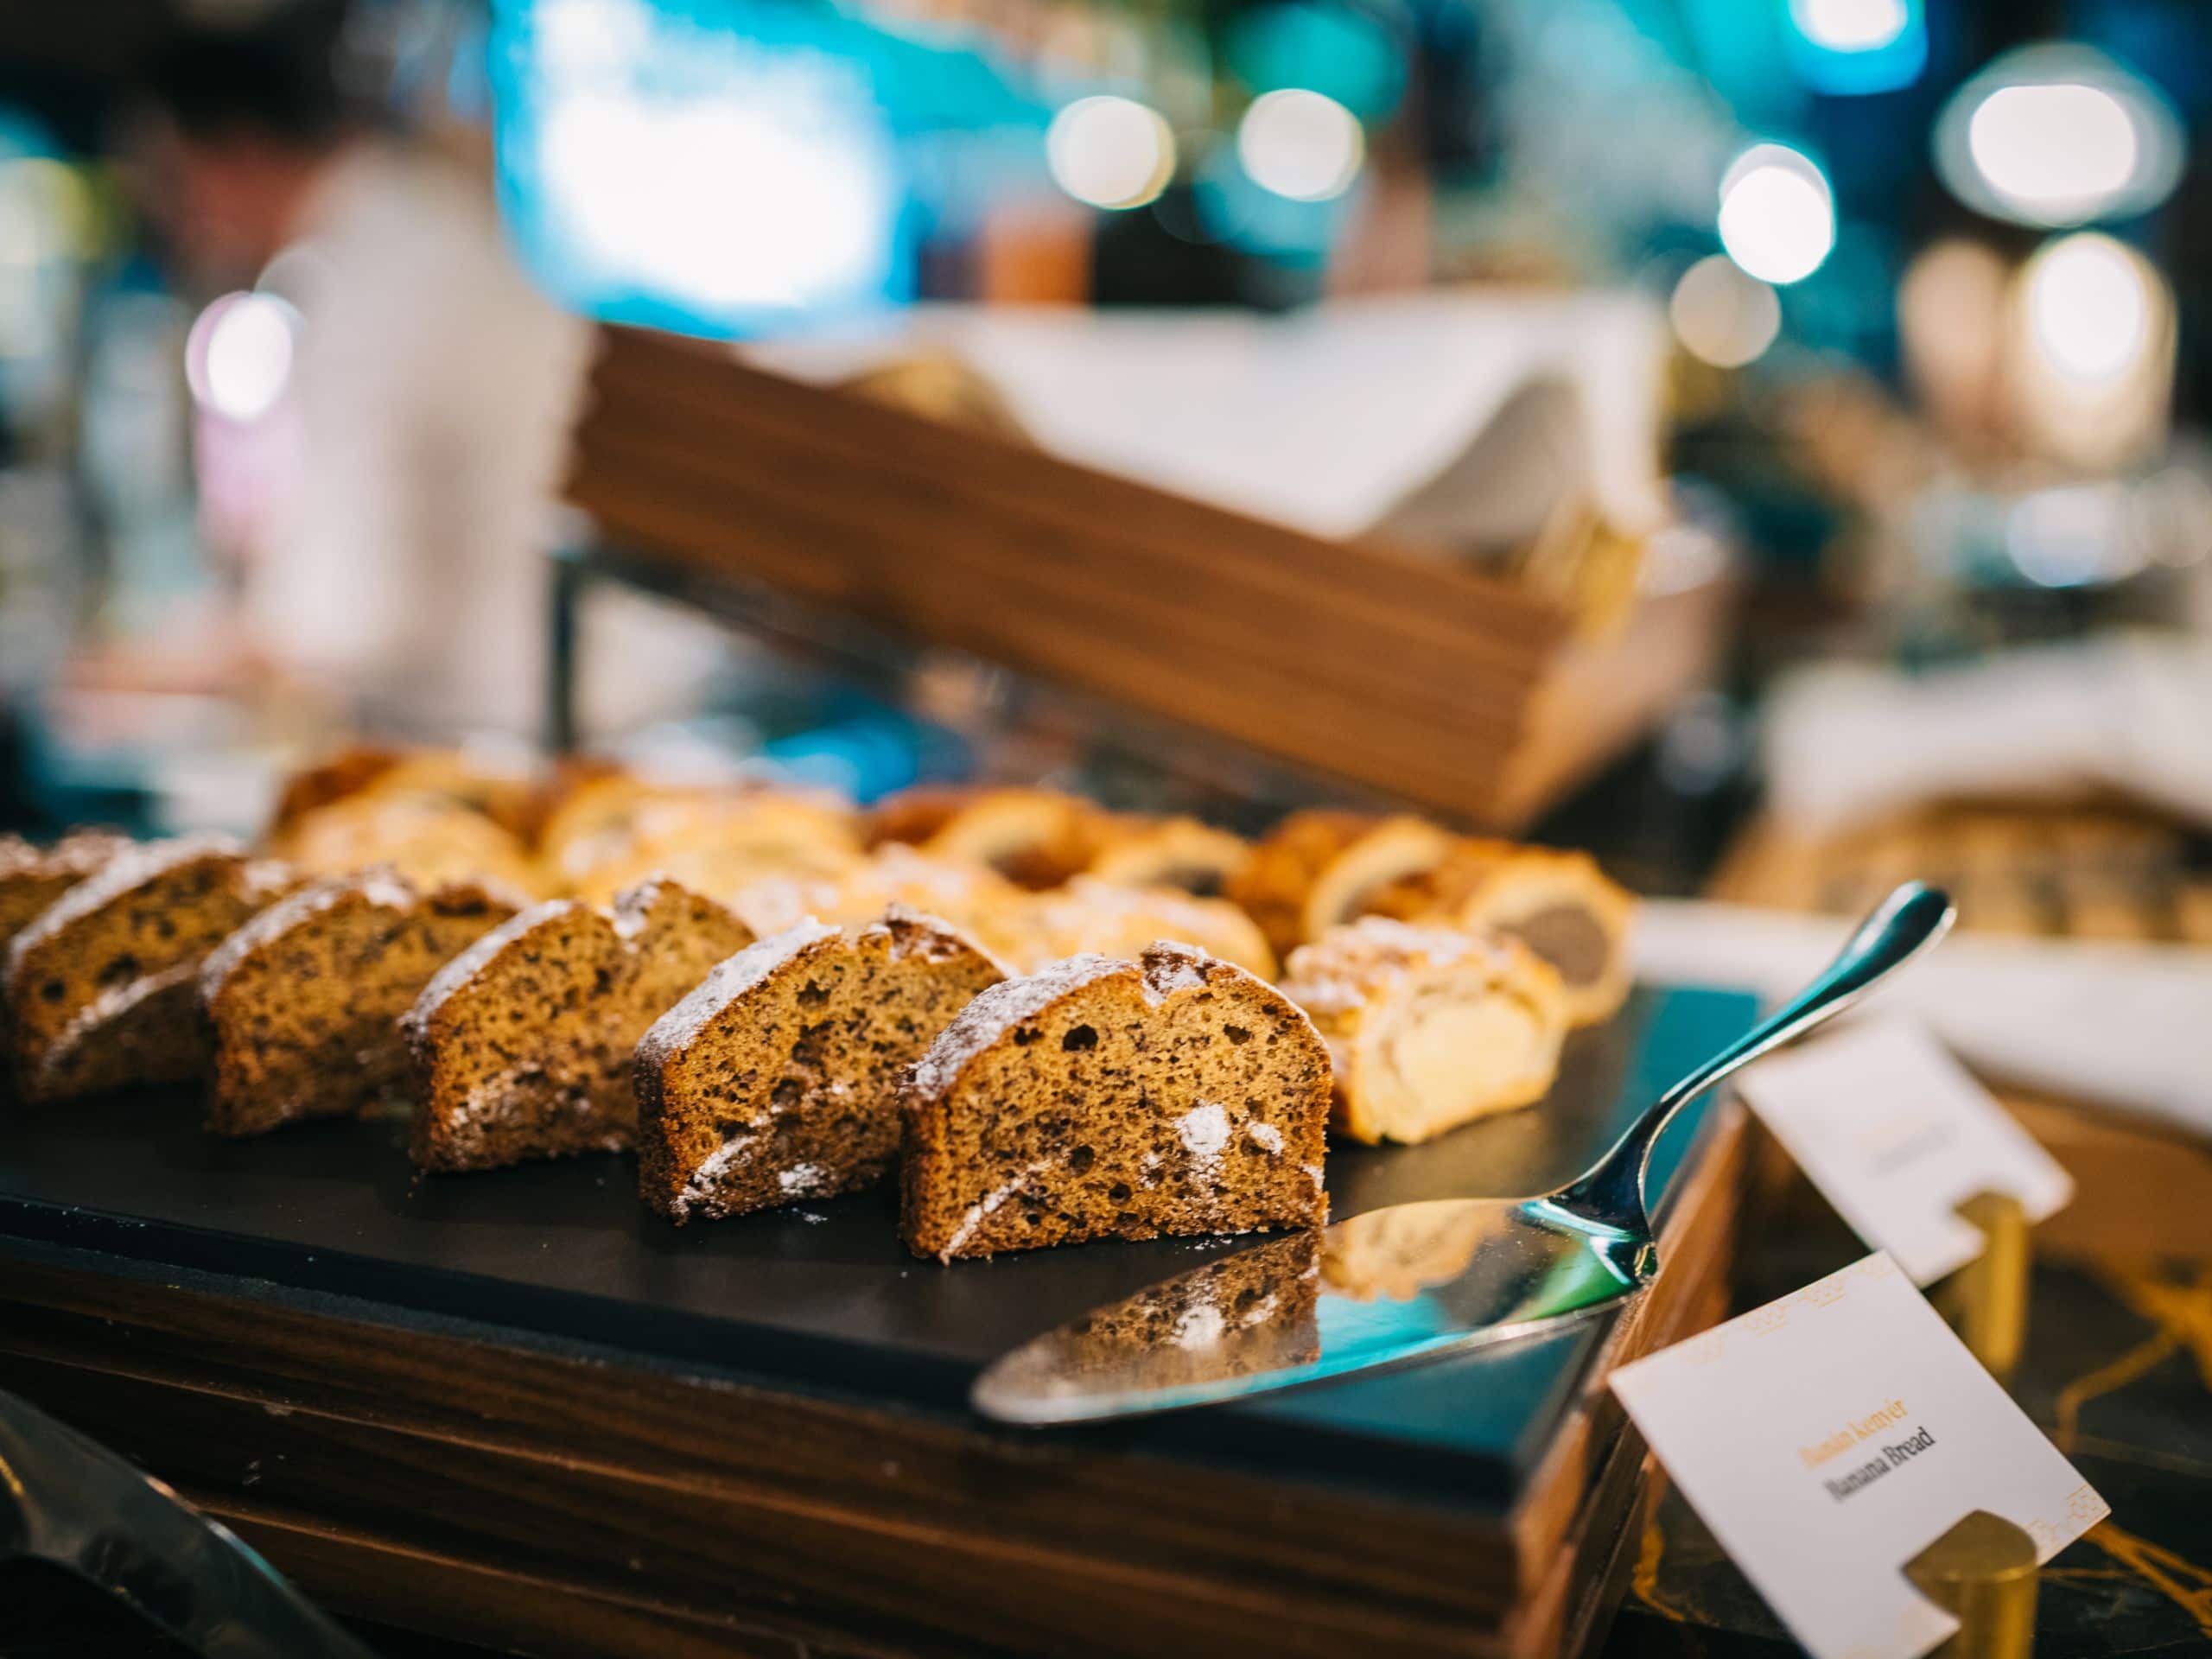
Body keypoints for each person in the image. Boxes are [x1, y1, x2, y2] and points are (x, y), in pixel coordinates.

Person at [131, 9, 715, 740]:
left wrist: (165, 667)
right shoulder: (412, 228)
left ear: (235, 152)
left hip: (533, 724)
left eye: (172, 177)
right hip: (580, 698)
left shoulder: (372, 275)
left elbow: (353, 607)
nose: (175, 214)